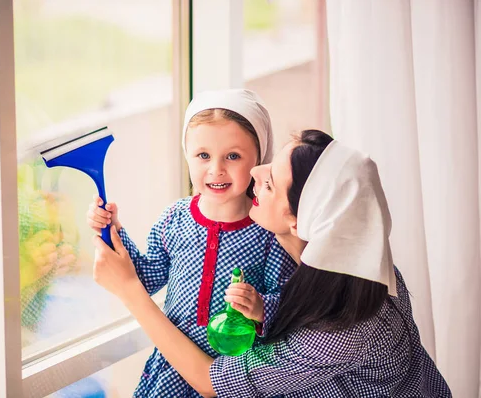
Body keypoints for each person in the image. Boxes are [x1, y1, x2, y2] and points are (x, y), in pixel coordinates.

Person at [92, 129, 452, 397]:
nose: (255, 172)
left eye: (272, 182)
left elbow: (210, 382)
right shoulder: (353, 270)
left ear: (297, 220)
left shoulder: (343, 331)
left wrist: (129, 291)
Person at [87, 89, 296, 397]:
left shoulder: (269, 233)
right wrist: (114, 229)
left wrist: (262, 307)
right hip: (172, 368)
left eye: (233, 156)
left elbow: (291, 307)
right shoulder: (174, 218)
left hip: (233, 374)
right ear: (187, 156)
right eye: (203, 156)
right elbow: (146, 278)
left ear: (259, 159)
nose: (216, 169)